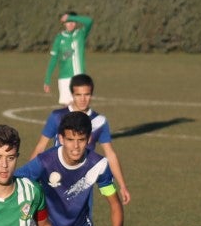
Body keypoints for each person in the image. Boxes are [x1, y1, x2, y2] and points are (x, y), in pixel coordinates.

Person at [28, 73, 130, 206]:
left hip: (82, 181)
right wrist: (28, 180)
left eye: (86, 94)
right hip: (56, 176)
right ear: (72, 94)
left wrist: (122, 185)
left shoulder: (100, 121)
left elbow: (110, 153)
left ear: (91, 94)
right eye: (78, 95)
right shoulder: (57, 116)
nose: (83, 99)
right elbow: (41, 147)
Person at [42, 11, 92, 106]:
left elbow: (89, 21)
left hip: (79, 77)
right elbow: (53, 59)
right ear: (64, 23)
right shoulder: (59, 38)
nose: (71, 24)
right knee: (68, 109)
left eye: (73, 22)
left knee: (80, 107)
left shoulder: (80, 34)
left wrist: (71, 17)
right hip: (65, 78)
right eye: (68, 22)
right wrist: (47, 79)